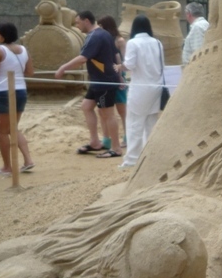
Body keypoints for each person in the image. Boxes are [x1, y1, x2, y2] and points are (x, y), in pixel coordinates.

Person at [55, 11, 123, 158]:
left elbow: (83, 58)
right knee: (86, 106)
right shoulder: (104, 34)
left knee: (108, 113)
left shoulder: (95, 36)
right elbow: (115, 55)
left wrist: (63, 67)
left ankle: (116, 148)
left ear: (86, 21)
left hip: (103, 81)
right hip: (99, 79)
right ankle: (95, 142)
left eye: (78, 22)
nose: (77, 26)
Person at [0, 22, 35, 176]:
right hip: (21, 90)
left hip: (2, 91)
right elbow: (30, 72)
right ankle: (28, 160)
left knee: (2, 131)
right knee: (13, 128)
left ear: (2, 35)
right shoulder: (24, 49)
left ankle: (7, 166)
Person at [117, 15, 164, 168]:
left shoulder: (133, 42)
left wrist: (119, 67)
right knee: (151, 123)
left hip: (139, 88)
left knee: (134, 124)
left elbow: (129, 65)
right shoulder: (157, 42)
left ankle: (132, 160)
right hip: (156, 87)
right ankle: (150, 157)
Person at [98, 15, 127, 148]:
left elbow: (124, 60)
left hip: (118, 76)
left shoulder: (120, 40)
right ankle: (107, 138)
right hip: (105, 77)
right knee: (104, 110)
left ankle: (127, 137)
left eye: (101, 25)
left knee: (122, 109)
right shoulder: (102, 39)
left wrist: (120, 75)